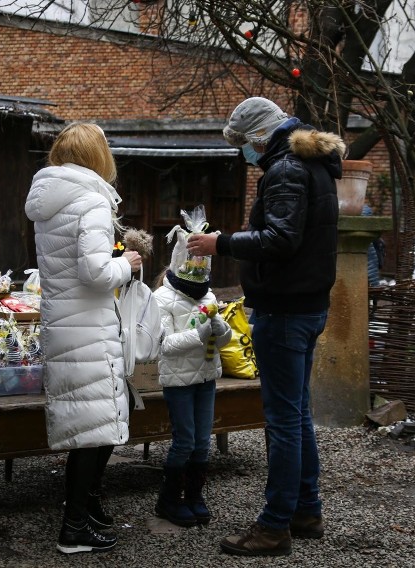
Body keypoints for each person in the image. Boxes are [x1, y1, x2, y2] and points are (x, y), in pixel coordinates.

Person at [187, 97, 345, 556]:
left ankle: (275, 526)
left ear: (259, 137)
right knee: (296, 413)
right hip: (307, 304)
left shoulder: (286, 169)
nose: (243, 152)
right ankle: (306, 510)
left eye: (242, 143)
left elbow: (280, 239)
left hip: (284, 309)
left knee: (281, 419)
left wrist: (222, 243)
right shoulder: (313, 165)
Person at [25, 122, 143, 554]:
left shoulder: (51, 200)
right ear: (98, 156)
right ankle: (74, 528)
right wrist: (127, 263)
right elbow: (95, 274)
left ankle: (87, 509)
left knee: (91, 421)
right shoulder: (91, 200)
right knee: (92, 430)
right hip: (88, 328)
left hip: (64, 323)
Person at [152, 230, 232, 528]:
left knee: (202, 442)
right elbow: (164, 345)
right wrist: (199, 334)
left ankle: (195, 497)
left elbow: (222, 343)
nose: (198, 267)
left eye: (202, 262)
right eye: (193, 261)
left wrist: (221, 329)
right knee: (184, 441)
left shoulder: (208, 294)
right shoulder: (162, 297)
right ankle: (169, 501)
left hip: (207, 377)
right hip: (179, 382)